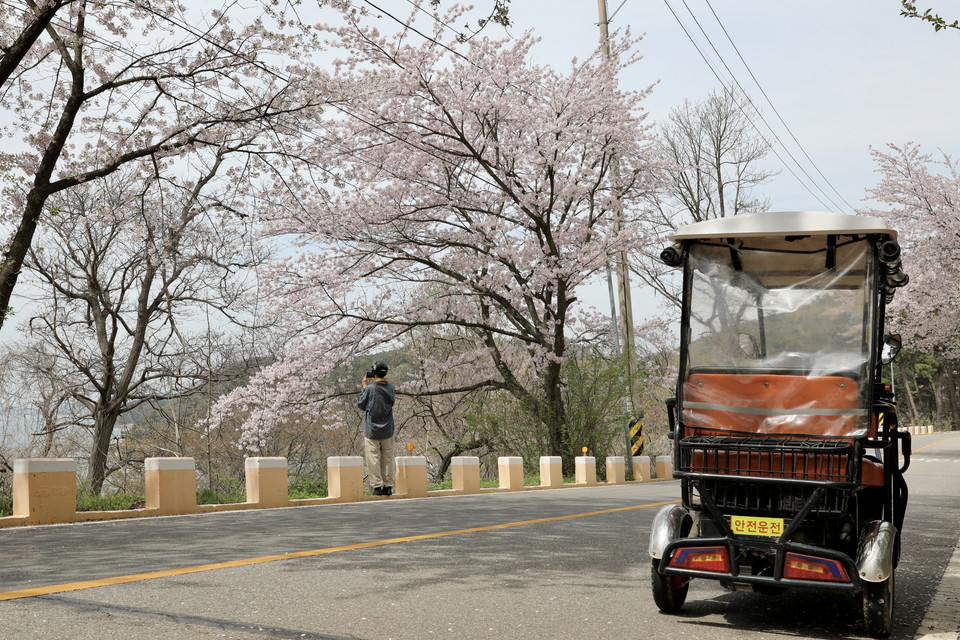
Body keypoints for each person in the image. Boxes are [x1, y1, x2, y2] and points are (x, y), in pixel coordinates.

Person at [357, 360, 396, 496]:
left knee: (374, 458)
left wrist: (364, 387)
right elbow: (392, 403)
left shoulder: (370, 389)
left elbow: (361, 405)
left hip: (372, 431)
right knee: (388, 458)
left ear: (373, 373)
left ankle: (377, 487)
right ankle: (388, 486)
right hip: (388, 430)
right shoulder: (391, 387)